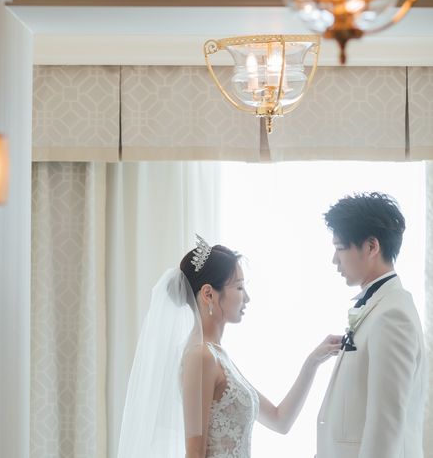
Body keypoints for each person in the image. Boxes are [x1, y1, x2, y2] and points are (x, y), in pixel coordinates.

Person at [118, 235, 341, 458]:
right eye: (239, 287)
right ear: (208, 294)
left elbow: (280, 420)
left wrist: (313, 362)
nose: (247, 298)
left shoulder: (219, 356)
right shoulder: (201, 356)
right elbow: (195, 452)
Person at [316, 192, 426, 458]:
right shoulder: (381, 307)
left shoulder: (392, 316)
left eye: (340, 248)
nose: (334, 260)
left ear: (371, 246)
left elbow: (385, 425)